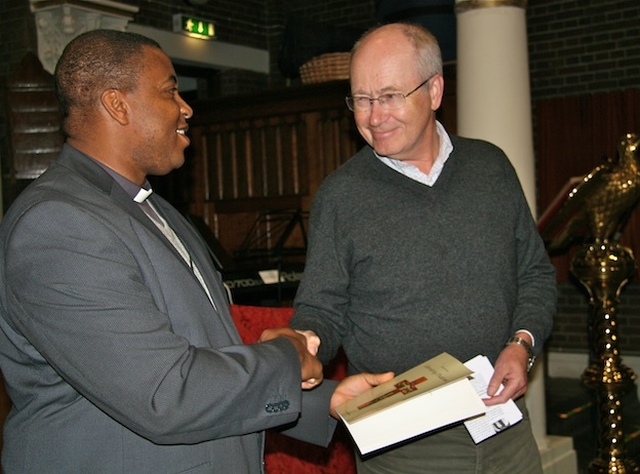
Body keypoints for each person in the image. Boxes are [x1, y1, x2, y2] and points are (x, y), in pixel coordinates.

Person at [0, 29, 393, 474]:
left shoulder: (153, 208)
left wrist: (322, 399)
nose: (186, 108)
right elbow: (164, 393)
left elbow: (204, 355)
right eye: (170, 91)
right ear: (117, 104)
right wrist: (287, 355)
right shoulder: (58, 225)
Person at [289, 22, 557, 474]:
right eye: (361, 99)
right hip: (402, 442)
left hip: (503, 424)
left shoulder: (490, 167)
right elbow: (322, 308)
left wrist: (521, 344)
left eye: (390, 96)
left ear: (434, 90)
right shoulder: (341, 196)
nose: (373, 117)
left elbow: (534, 274)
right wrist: (303, 342)